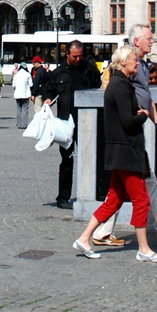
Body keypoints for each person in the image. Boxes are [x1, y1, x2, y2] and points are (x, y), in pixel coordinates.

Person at [91, 24, 157, 251]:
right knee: (144, 185)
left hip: (134, 131)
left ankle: (101, 232)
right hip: (128, 135)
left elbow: (147, 98)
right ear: (136, 42)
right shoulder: (128, 68)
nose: (153, 41)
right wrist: (142, 118)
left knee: (120, 190)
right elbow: (127, 101)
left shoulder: (141, 65)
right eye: (149, 38)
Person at [74, 45, 157, 263]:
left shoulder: (117, 84)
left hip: (119, 150)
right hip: (126, 151)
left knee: (114, 200)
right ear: (123, 62)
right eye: (134, 59)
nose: (137, 62)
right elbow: (127, 121)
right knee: (141, 200)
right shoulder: (121, 86)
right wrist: (143, 115)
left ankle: (85, 238)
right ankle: (144, 249)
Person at [34, 40, 98, 208]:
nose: (78, 59)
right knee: (66, 160)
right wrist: (48, 97)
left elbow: (98, 89)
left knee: (89, 159)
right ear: (67, 54)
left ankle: (91, 195)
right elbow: (47, 89)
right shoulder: (59, 73)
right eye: (74, 56)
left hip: (86, 122)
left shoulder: (89, 70)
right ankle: (63, 198)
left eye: (80, 56)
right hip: (65, 123)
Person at [12, 59, 35, 128]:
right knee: (25, 109)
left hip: (17, 94)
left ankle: (18, 123)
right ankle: (24, 124)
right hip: (25, 94)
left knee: (19, 109)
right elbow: (31, 84)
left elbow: (13, 85)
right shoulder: (28, 74)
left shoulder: (16, 75)